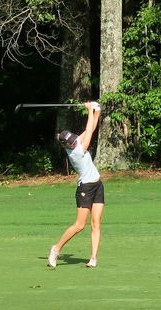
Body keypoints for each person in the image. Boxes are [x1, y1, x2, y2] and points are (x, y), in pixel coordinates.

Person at [48, 101, 104, 268]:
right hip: (85, 188)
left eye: (74, 139)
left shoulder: (74, 142)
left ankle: (93, 257)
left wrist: (97, 111)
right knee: (80, 225)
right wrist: (89, 110)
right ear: (68, 145)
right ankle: (56, 249)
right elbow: (88, 131)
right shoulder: (76, 152)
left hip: (97, 185)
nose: (75, 141)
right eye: (72, 142)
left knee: (96, 223)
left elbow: (91, 129)